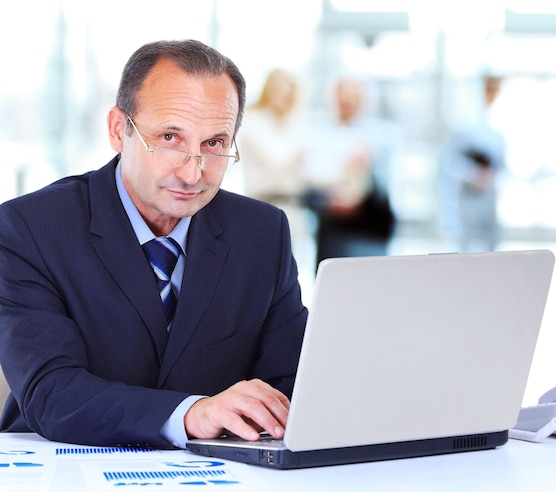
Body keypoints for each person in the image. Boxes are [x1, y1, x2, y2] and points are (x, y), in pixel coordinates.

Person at [0, 40, 307, 449]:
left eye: (214, 143)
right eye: (170, 137)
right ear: (117, 129)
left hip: (223, 474)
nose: (192, 171)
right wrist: (192, 413)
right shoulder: (30, 229)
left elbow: (294, 385)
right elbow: (52, 392)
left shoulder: (262, 233)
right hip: (62, 467)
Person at [305, 76, 396, 267]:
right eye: (342, 98)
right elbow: (309, 182)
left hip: (367, 229)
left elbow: (388, 186)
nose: (346, 103)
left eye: (352, 98)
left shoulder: (380, 137)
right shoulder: (319, 136)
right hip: (332, 227)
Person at [237, 68, 313, 271]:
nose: (284, 97)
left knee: (286, 275)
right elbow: (278, 158)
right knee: (262, 272)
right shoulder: (254, 120)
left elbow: (306, 168)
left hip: (293, 206)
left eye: (289, 93)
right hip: (264, 203)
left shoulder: (290, 123)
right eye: (279, 90)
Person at [440, 76, 506, 252]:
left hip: (488, 201)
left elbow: (501, 167)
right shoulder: (463, 130)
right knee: (465, 248)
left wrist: (489, 177)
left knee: (489, 248)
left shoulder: (496, 134)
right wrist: (472, 175)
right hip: (466, 202)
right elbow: (450, 165)